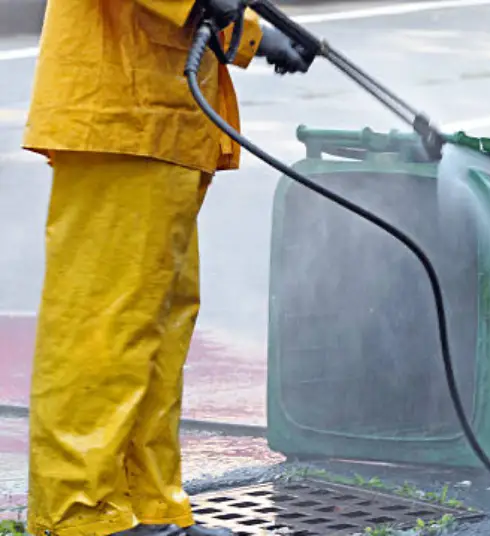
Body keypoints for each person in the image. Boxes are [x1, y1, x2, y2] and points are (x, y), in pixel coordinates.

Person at [21, 0, 316, 533]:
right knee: (103, 329)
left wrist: (249, 34)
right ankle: (80, 516)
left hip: (162, 113)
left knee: (156, 327)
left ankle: (149, 507)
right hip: (121, 108)